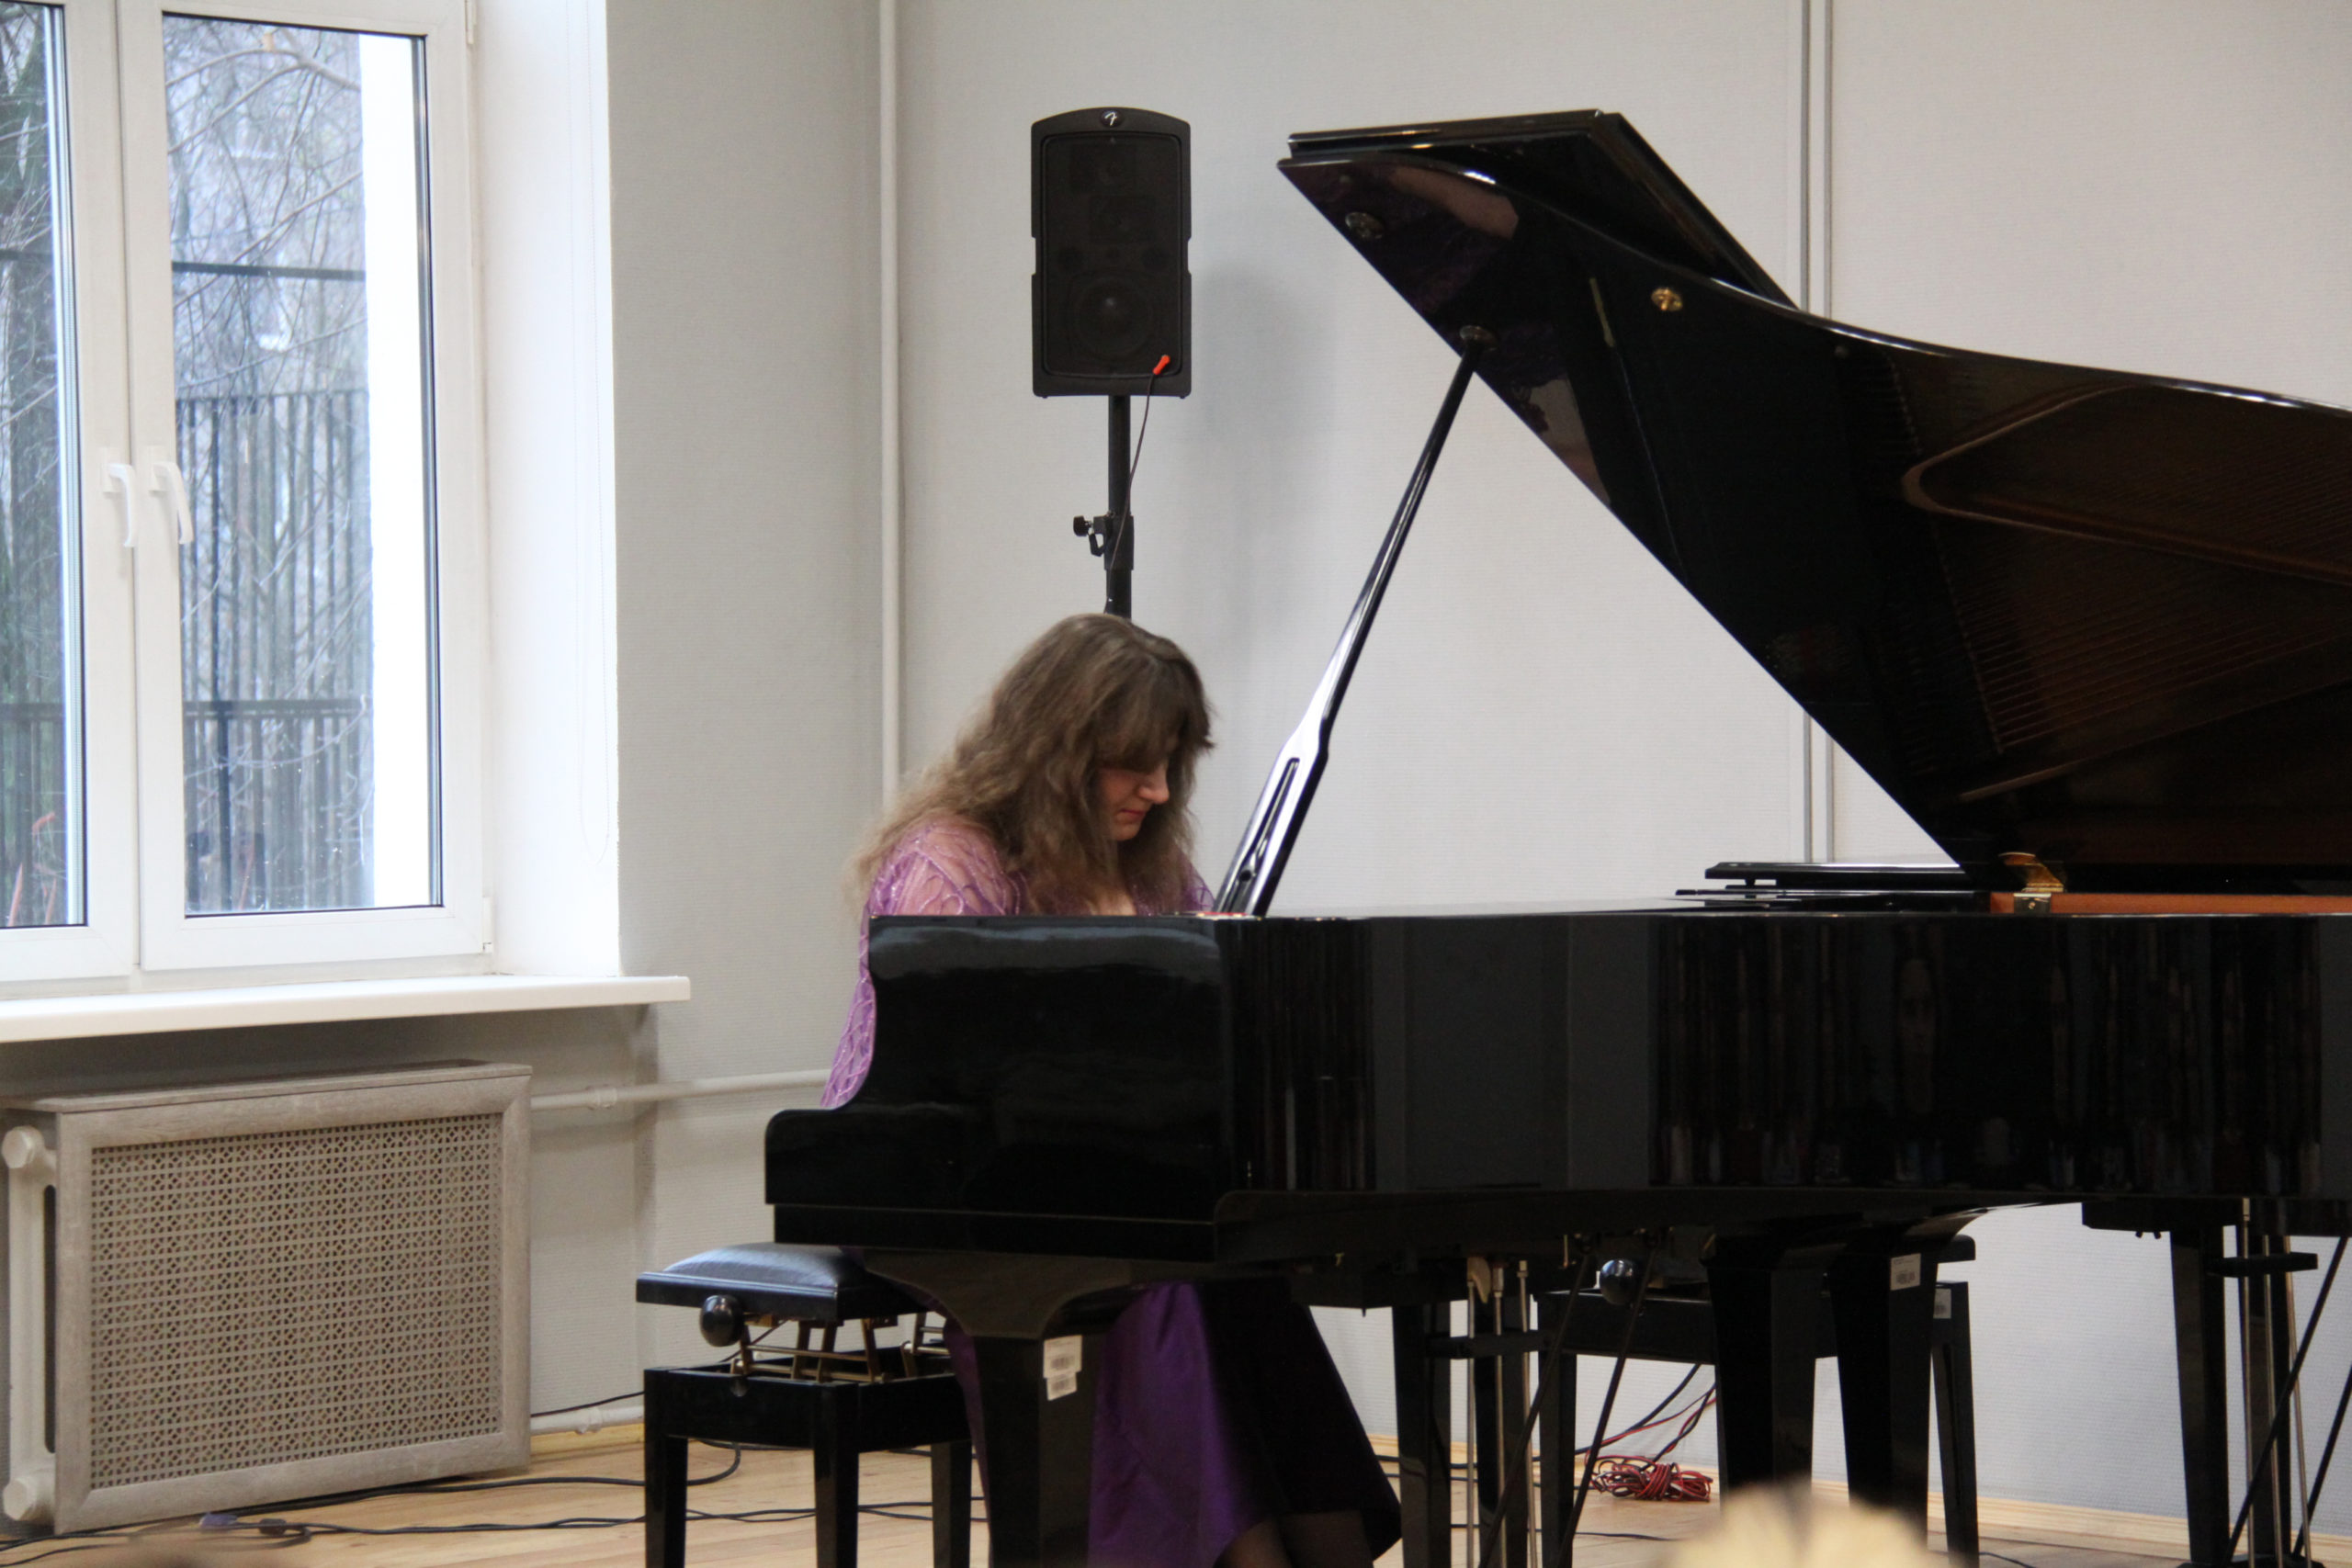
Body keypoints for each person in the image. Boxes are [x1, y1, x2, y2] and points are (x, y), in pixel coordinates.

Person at [820, 614, 1401, 1568]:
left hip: (1095, 1182)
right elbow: (952, 1092)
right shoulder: (949, 863)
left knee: (1240, 1272)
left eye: (1170, 762)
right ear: (1056, 751)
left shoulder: (1152, 865)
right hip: (927, 1186)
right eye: (1133, 764)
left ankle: (1314, 1544)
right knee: (1141, 1277)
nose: (1159, 789)